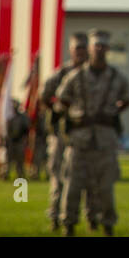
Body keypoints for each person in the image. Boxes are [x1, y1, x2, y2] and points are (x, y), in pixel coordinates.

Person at [56, 29, 129, 235]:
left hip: (105, 139)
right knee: (73, 184)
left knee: (105, 186)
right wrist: (75, 114)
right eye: (96, 45)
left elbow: (127, 99)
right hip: (79, 139)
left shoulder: (117, 77)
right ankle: (69, 222)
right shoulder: (75, 76)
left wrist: (112, 112)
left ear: (108, 49)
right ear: (89, 48)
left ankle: (107, 223)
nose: (99, 49)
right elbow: (61, 99)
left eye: (103, 46)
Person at [40, 31, 89, 229]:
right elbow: (44, 96)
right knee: (59, 175)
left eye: (84, 48)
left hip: (85, 134)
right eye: (77, 48)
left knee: (87, 177)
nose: (81, 52)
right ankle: (55, 215)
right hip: (62, 132)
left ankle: (90, 217)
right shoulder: (60, 74)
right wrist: (57, 111)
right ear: (71, 50)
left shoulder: (93, 75)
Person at [2, 99, 30, 181]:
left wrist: (24, 138)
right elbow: (7, 130)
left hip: (20, 141)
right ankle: (5, 174)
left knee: (20, 159)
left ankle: (20, 174)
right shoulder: (10, 117)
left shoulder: (23, 117)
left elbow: (26, 129)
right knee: (8, 159)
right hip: (11, 141)